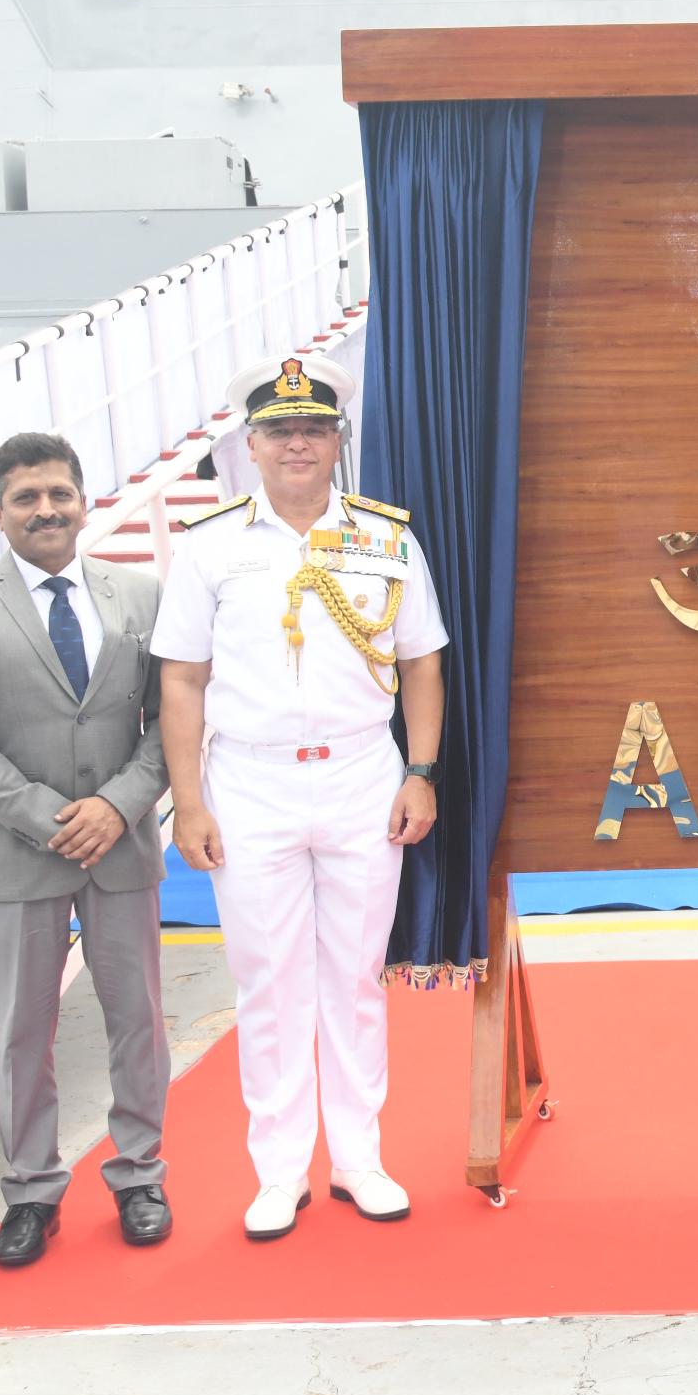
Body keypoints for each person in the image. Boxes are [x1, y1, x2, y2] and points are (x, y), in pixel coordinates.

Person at [154, 357, 450, 1241]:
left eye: (313, 429)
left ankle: (359, 1158)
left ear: (336, 440)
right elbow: (182, 680)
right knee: (269, 980)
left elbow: (422, 662)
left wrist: (421, 771)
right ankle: (280, 1171)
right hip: (250, 782)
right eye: (279, 431)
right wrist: (188, 803)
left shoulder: (386, 540)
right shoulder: (210, 546)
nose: (296, 444)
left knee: (355, 977)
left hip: (361, 774)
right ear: (250, 446)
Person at [0, 431, 173, 1267]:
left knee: (137, 1019)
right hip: (17, 851)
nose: (46, 510)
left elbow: (171, 720)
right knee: (24, 1027)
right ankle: (31, 1189)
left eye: (59, 493)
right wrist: (52, 817)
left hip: (121, 844)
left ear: (83, 502)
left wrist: (118, 806)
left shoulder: (140, 596)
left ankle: (140, 1175)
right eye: (26, 498)